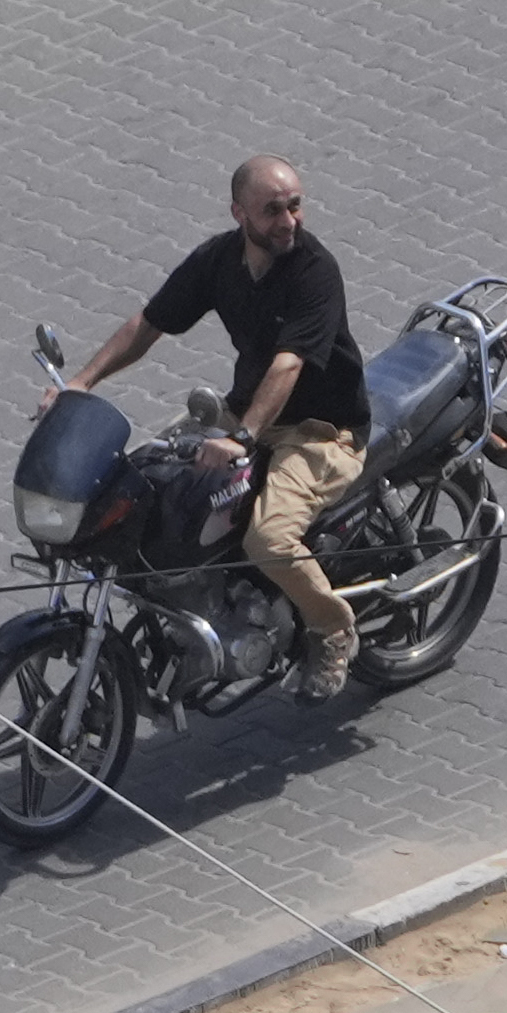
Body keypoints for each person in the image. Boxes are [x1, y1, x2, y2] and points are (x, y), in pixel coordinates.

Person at [60, 154, 368, 694]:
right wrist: (81, 384)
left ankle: (333, 627)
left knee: (268, 539)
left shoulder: (315, 271)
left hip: (319, 431)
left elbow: (288, 363)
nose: (288, 220)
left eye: (295, 205)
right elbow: (149, 324)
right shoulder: (220, 261)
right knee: (150, 484)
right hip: (247, 415)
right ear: (238, 213)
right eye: (272, 210)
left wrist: (241, 436)